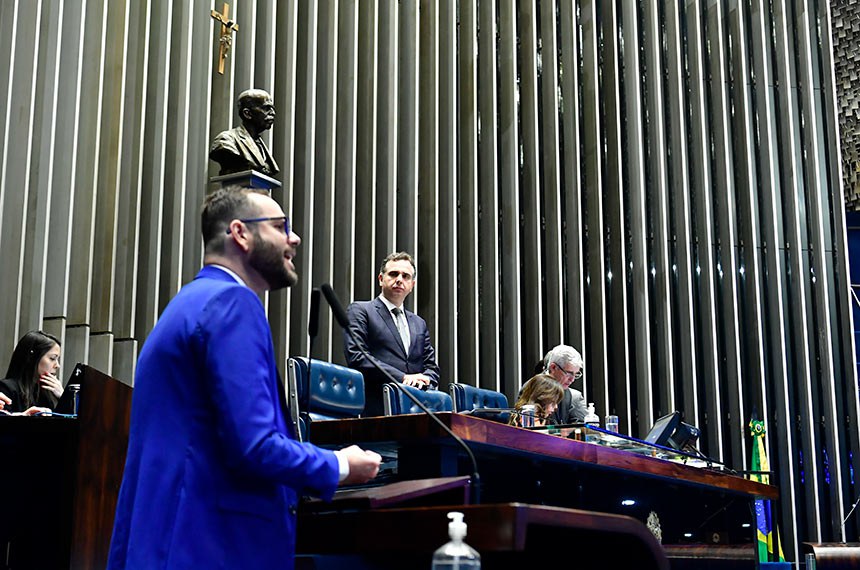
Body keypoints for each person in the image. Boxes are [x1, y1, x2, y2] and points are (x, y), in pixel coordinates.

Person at [107, 187, 381, 569]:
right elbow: (255, 445)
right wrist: (341, 465)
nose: (294, 237)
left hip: (164, 541)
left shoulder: (187, 304)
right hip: (210, 545)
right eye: (281, 226)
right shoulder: (232, 303)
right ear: (240, 233)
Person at [343, 251, 441, 416]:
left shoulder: (419, 323)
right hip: (376, 411)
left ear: (412, 285)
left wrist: (426, 380)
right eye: (394, 274)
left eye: (405, 276)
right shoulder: (360, 310)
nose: (399, 280)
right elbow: (357, 356)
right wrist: (403, 378)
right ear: (381, 279)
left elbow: (431, 367)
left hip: (416, 411)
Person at [209, 88, 280, 176]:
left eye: (272, 108)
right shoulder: (226, 140)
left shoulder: (261, 145)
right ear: (247, 113)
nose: (273, 113)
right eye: (266, 108)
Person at [0, 330, 64, 414]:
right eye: (52, 358)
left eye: (57, 359)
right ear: (32, 358)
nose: (57, 365)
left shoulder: (48, 392)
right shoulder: (7, 388)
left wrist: (63, 397)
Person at [541, 344, 588, 424]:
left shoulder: (574, 398)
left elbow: (586, 430)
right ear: (553, 367)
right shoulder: (531, 389)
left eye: (576, 374)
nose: (572, 379)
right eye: (569, 373)